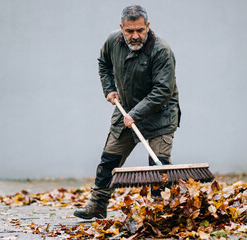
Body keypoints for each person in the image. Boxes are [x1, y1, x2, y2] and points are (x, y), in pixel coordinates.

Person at [74, 5, 181, 219]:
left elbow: (163, 91)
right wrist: (109, 89)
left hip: (160, 115)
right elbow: (103, 64)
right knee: (108, 161)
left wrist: (136, 114)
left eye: (140, 30)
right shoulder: (113, 42)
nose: (135, 36)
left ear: (148, 27)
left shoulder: (161, 51)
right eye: (129, 31)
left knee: (157, 169)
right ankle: (97, 205)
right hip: (126, 111)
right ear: (121, 28)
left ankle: (158, 212)